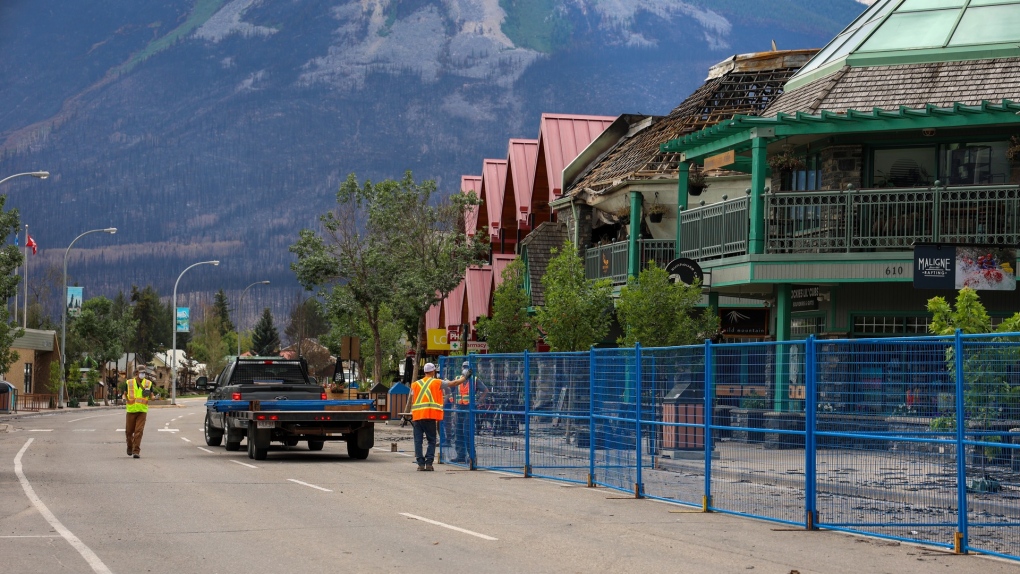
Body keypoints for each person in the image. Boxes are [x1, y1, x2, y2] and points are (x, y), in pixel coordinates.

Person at [408, 362, 463, 471]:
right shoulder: (437, 382)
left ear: (424, 371)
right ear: (433, 372)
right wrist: (465, 377)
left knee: (418, 441)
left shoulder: (415, 384)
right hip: (429, 416)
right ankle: (429, 464)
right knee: (431, 441)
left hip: (417, 417)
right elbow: (454, 383)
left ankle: (420, 464)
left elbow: (412, 399)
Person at [451, 361, 487, 464]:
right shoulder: (458, 379)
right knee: (458, 433)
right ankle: (461, 456)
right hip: (459, 408)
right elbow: (451, 389)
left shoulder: (474, 380)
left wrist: (477, 402)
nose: (465, 369)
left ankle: (472, 457)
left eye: (467, 367)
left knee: (467, 433)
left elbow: (485, 390)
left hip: (468, 409)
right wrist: (453, 403)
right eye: (464, 367)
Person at [125, 367, 154, 458]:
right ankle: (130, 446)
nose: (143, 374)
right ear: (137, 373)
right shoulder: (129, 382)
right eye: (141, 372)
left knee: (139, 431)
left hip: (142, 411)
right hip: (131, 410)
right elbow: (125, 393)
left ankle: (136, 451)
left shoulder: (148, 383)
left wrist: (152, 398)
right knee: (129, 432)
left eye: (144, 373)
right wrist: (126, 400)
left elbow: (151, 395)